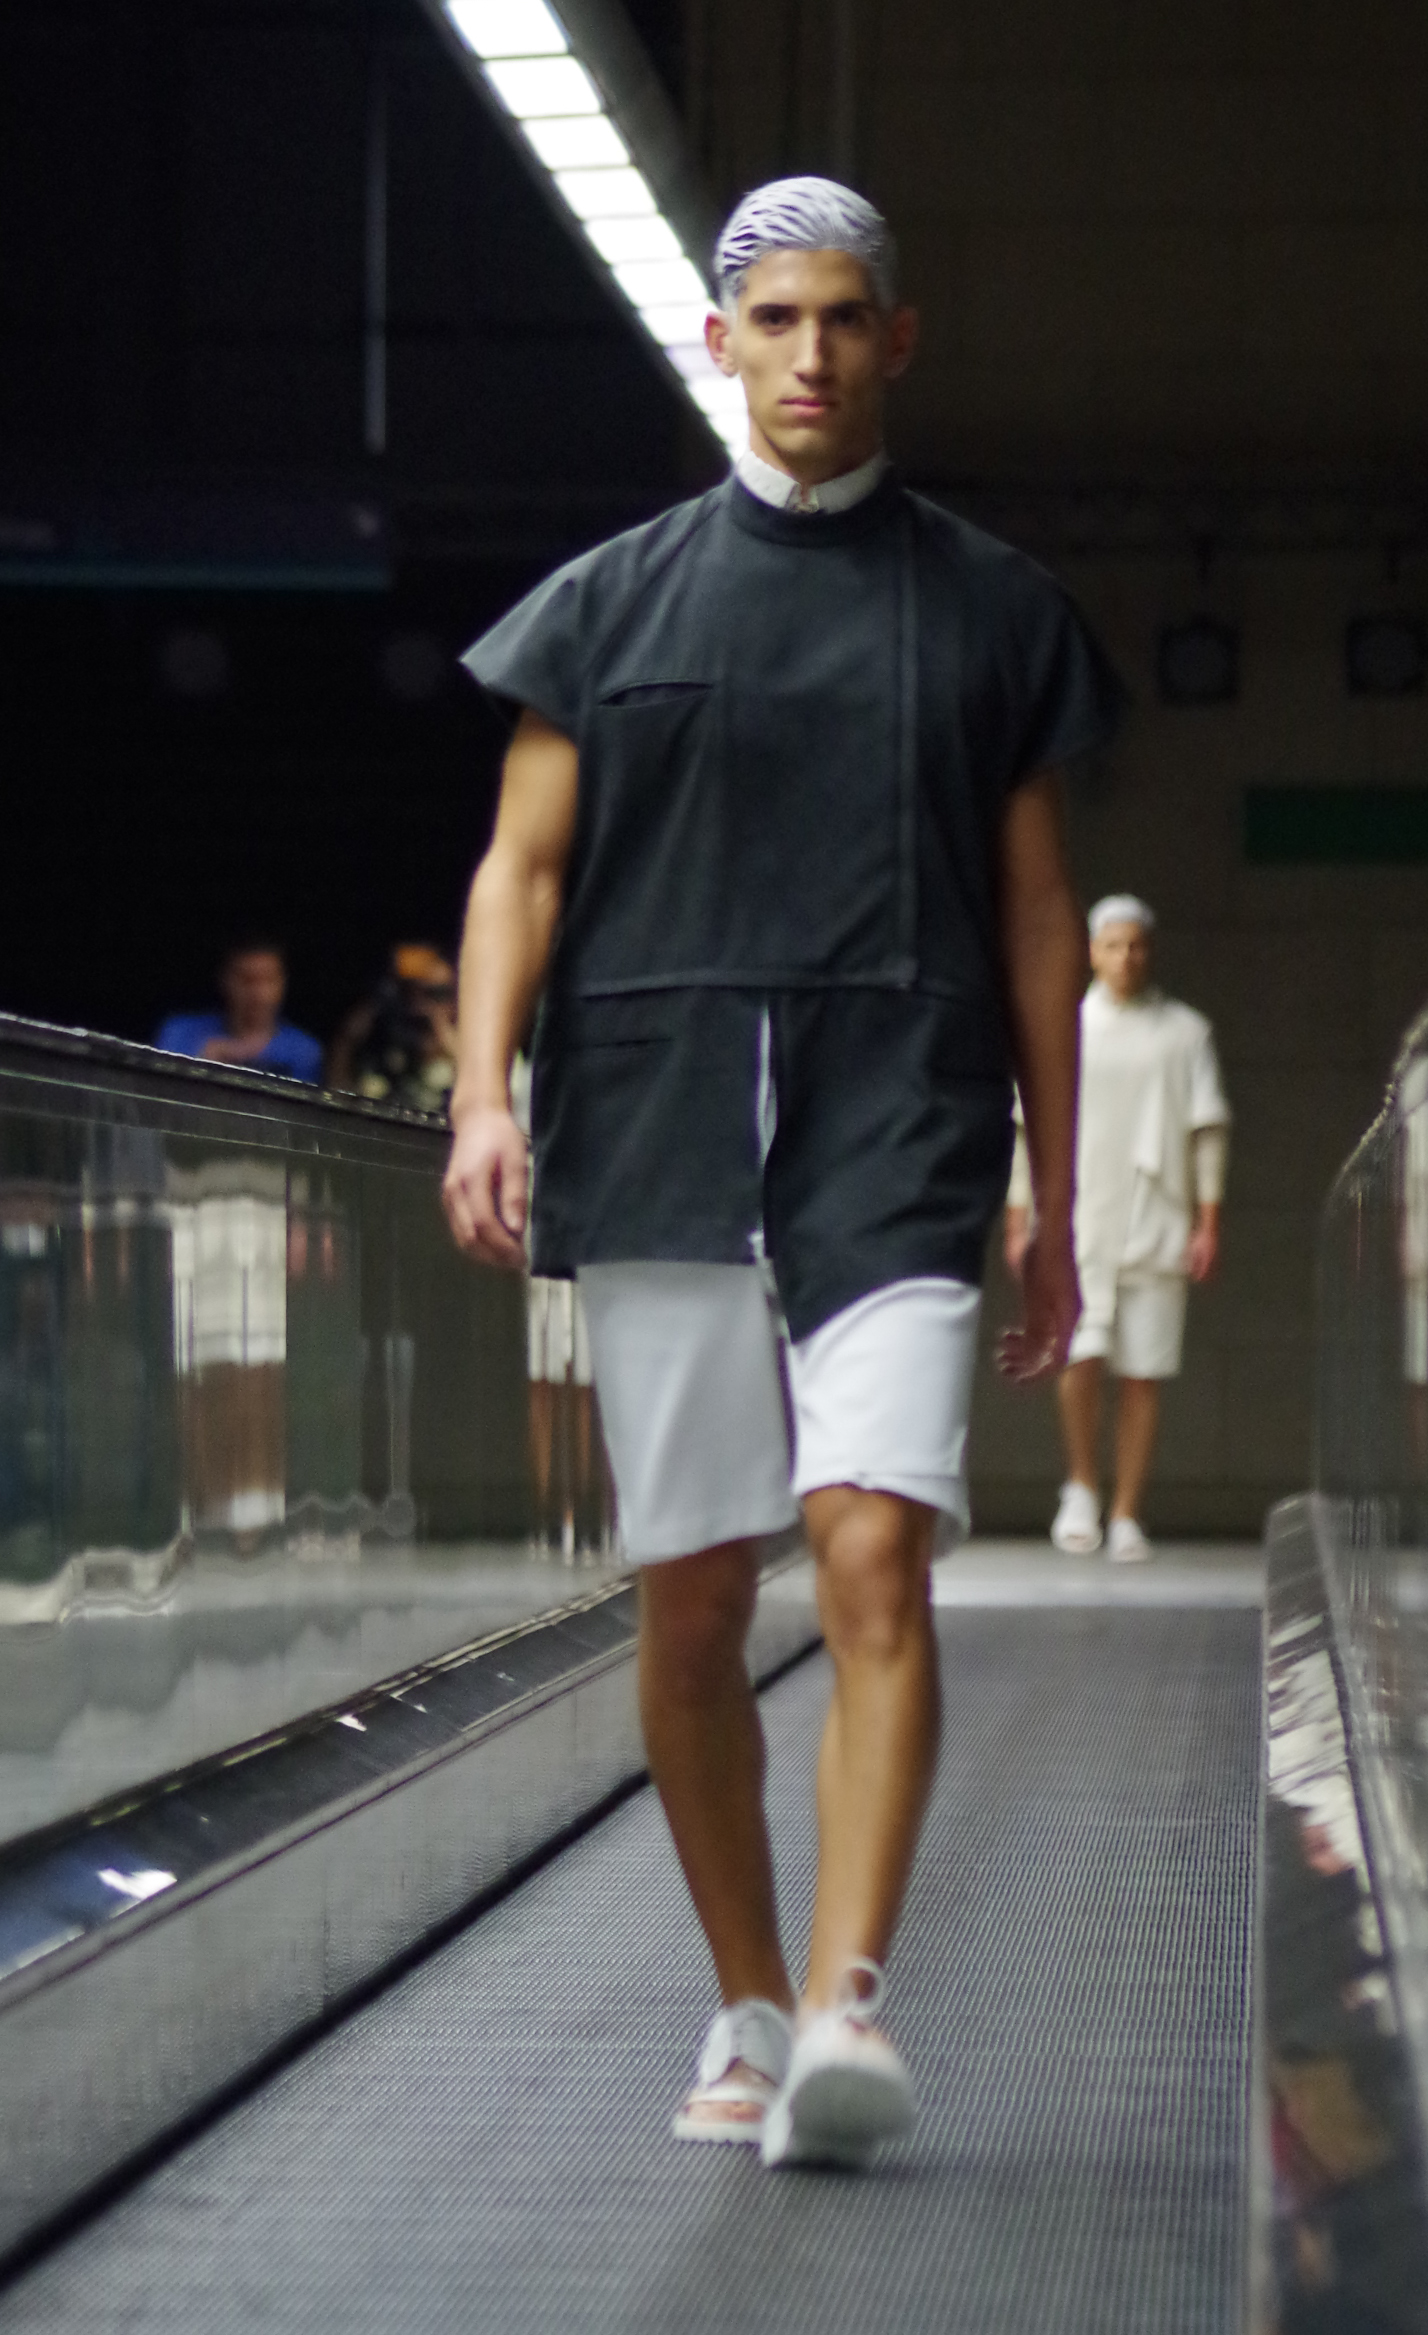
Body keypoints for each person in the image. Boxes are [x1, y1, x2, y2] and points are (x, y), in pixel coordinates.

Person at [442, 177, 1122, 2169]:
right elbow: (521, 872)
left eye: (842, 319)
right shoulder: (607, 605)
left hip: (900, 1120)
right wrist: (483, 1094)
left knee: (872, 1546)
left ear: (894, 340)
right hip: (657, 1128)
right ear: (720, 343)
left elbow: (1035, 917)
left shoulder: (988, 609)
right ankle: (748, 1999)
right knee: (689, 1611)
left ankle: (846, 2005)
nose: (809, 354)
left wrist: (1052, 1187)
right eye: (774, 320)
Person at [1004, 895, 1229, 1563]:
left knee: (1143, 1370)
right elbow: (1026, 1133)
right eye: (1112, 945)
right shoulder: (1062, 1027)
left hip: (1157, 1217)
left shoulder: (1186, 1032)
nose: (1125, 957)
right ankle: (1081, 1486)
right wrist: (1020, 1220)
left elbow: (1207, 1129)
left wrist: (1207, 1221)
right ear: (1092, 951)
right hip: (1079, 1219)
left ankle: (1128, 1509)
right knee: (1080, 1354)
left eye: (1136, 945)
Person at [154, 940, 322, 1082]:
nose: (258, 993)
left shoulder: (305, 1051)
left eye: (268, 980)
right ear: (225, 980)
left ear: (283, 983)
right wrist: (200, 1065)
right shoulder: (179, 1032)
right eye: (247, 980)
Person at [326, 944, 459, 1114]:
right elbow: (340, 1090)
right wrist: (348, 1040)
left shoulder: (461, 1041)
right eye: (412, 990)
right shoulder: (390, 1037)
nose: (422, 1001)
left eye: (438, 993)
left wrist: (443, 1031)